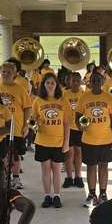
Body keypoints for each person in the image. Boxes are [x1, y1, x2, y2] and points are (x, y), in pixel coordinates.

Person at [76, 69, 112, 208]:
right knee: (91, 167)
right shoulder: (84, 97)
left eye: (98, 80)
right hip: (88, 139)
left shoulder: (108, 98)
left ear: (102, 82)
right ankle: (92, 194)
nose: (96, 82)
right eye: (93, 80)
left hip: (106, 138)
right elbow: (78, 116)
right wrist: (80, 125)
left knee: (103, 167)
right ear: (89, 82)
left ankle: (103, 193)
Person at [31, 72, 71, 208]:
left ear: (56, 85)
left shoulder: (62, 100)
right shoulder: (37, 101)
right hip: (42, 141)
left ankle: (57, 195)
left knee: (57, 169)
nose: (50, 85)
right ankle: (47, 195)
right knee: (46, 170)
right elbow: (33, 119)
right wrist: (34, 124)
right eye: (47, 83)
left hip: (58, 142)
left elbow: (66, 124)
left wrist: (66, 143)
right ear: (43, 85)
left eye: (52, 83)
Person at [0, 61, 32, 189]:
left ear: (14, 74)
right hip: (0, 129)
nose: (5, 74)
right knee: (3, 155)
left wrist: (26, 125)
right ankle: (6, 177)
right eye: (3, 72)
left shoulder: (19, 89)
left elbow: (27, 108)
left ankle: (16, 178)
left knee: (15, 154)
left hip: (16, 128)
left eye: (9, 72)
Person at [63, 71, 85, 189]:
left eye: (77, 81)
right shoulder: (64, 94)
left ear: (80, 81)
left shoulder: (84, 94)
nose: (75, 83)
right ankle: (69, 177)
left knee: (79, 152)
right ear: (69, 82)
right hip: (68, 128)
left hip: (80, 128)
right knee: (69, 153)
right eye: (73, 81)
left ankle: (78, 176)